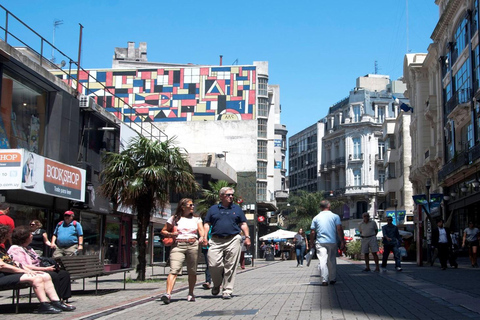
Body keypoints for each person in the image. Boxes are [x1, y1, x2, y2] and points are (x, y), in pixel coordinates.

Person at [0, 225, 68, 314]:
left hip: (9, 274)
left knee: (45, 275)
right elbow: (2, 266)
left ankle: (56, 301)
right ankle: (44, 304)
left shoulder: (2, 248)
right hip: (2, 276)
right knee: (36, 278)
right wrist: (25, 271)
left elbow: (15, 263)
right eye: (6, 236)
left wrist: (31, 270)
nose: (8, 237)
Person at [204, 187, 251, 299]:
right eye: (228, 195)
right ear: (221, 196)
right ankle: (217, 284)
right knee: (214, 264)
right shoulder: (213, 209)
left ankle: (227, 290)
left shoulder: (237, 209)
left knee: (230, 266)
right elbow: (207, 224)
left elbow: (243, 224)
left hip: (233, 239)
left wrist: (247, 237)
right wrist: (204, 237)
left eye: (232, 195)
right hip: (216, 240)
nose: (231, 197)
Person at [159, 198, 205, 304]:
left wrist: (202, 237)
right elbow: (163, 230)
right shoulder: (174, 219)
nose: (193, 207)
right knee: (174, 269)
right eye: (190, 205)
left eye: (193, 205)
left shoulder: (197, 219)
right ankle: (168, 294)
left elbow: (201, 230)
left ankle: (191, 293)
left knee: (192, 271)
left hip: (193, 244)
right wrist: (171, 234)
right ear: (183, 207)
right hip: (178, 245)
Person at [309, 200, 345, 286]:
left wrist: (311, 242)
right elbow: (339, 229)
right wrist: (342, 241)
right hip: (332, 241)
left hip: (320, 242)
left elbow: (312, 231)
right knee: (332, 259)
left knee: (322, 260)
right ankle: (332, 278)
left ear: (320, 207)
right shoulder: (335, 216)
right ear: (329, 206)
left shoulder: (316, 217)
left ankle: (324, 279)